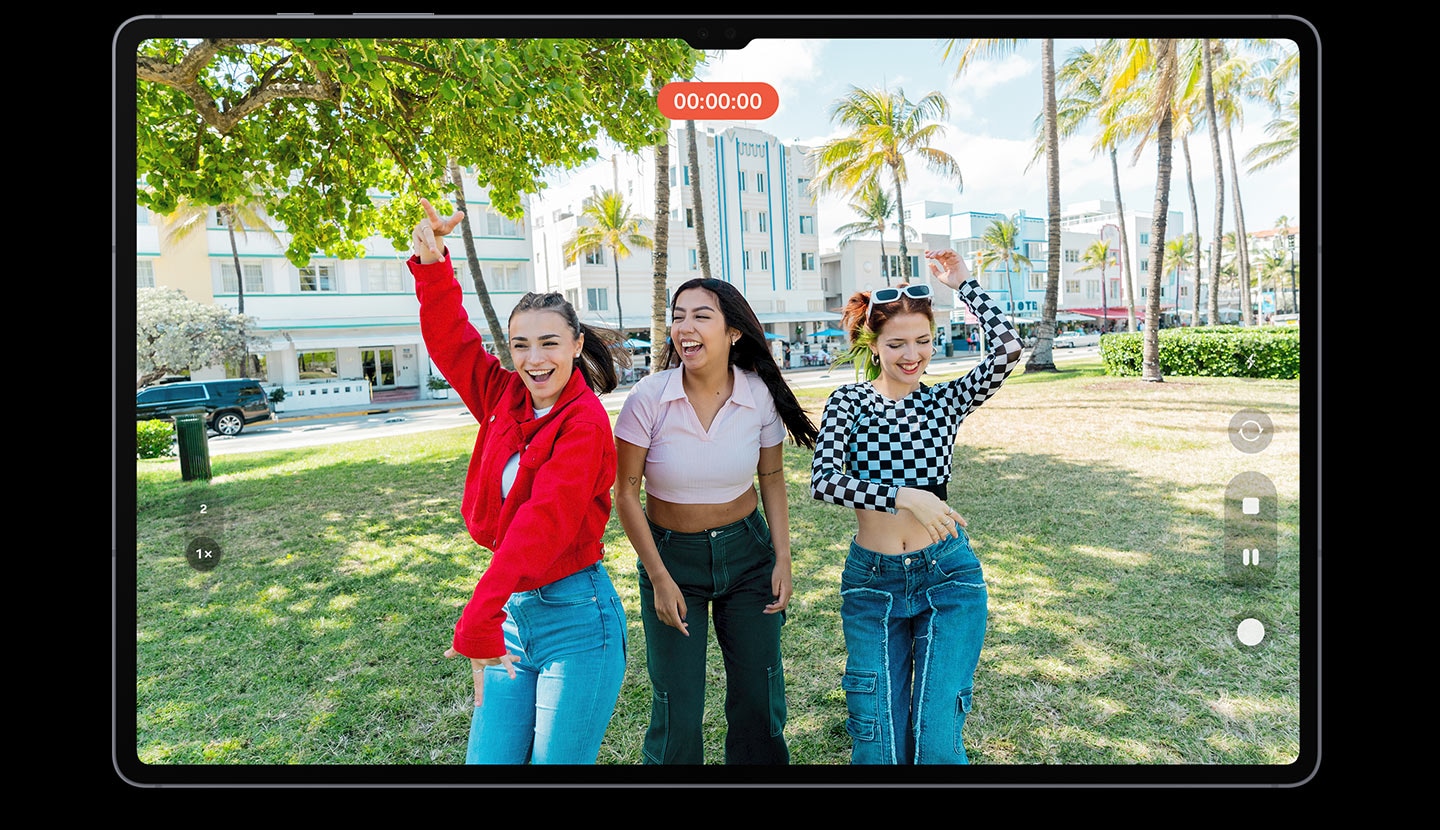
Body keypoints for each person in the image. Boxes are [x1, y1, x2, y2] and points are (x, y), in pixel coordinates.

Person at [408, 198, 629, 764]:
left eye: (550, 343)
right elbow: (453, 344)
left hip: (578, 622)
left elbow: (541, 525)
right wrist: (433, 267)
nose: (534, 359)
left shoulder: (584, 424)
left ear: (576, 346)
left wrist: (479, 613)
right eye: (521, 344)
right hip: (512, 613)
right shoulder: (501, 395)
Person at [809, 249, 1023, 765]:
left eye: (923, 341)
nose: (913, 355)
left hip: (947, 577)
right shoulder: (850, 403)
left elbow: (1009, 348)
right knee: (876, 738)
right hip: (872, 582)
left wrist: (962, 283)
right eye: (897, 343)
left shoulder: (944, 402)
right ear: (873, 343)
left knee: (936, 738)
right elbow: (824, 482)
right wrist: (904, 495)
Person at [613, 277, 819, 764]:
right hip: (672, 559)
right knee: (677, 703)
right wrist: (660, 578)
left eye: (701, 316)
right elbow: (624, 492)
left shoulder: (758, 396)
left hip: (749, 555)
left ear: (733, 333)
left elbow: (770, 476)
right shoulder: (649, 397)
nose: (685, 327)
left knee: (758, 693)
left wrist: (783, 557)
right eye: (678, 315)